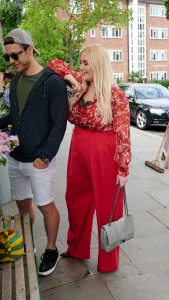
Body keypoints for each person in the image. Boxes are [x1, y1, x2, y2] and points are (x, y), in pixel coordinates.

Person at [48, 44, 131, 273]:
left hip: (104, 150)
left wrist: (123, 169)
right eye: (81, 63)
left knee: (108, 208)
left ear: (97, 64)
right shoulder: (81, 83)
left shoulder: (115, 95)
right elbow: (53, 63)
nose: (81, 67)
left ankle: (108, 261)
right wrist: (72, 80)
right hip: (78, 146)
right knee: (75, 199)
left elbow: (123, 133)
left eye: (86, 63)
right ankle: (76, 248)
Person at [0, 28, 68, 276]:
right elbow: (16, 116)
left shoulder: (53, 82)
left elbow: (60, 123)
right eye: (8, 57)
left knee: (46, 205)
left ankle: (50, 249)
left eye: (15, 56)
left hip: (40, 160)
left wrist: (45, 157)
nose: (11, 62)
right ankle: (27, 243)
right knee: (23, 207)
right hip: (16, 157)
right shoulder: (15, 81)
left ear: (29, 49)